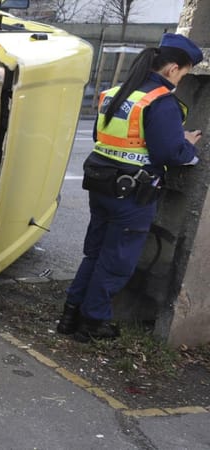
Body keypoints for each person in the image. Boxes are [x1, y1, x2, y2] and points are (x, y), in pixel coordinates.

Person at [58, 33, 204, 343]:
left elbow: (105, 138)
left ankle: (70, 315)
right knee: (116, 262)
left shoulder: (116, 93)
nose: (181, 80)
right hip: (132, 195)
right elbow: (169, 153)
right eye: (184, 74)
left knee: (94, 254)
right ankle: (92, 322)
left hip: (102, 186)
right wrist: (188, 146)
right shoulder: (161, 101)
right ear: (173, 69)